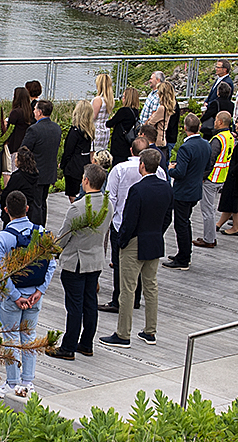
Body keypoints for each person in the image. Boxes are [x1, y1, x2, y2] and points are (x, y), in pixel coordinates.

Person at [101, 149, 171, 348]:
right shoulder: (166, 188)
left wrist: (121, 242)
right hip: (155, 240)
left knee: (128, 289)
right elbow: (168, 217)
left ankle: (123, 334)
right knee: (151, 286)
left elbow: (129, 220)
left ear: (142, 165)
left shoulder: (138, 190)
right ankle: (150, 331)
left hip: (134, 242)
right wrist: (158, 233)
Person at [0, 190, 57, 400]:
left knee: (10, 338)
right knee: (29, 337)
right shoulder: (43, 233)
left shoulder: (3, 238)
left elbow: (0, 271)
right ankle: (28, 382)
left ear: (6, 211)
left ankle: (12, 383)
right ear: (27, 209)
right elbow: (52, 264)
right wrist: (40, 291)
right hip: (35, 295)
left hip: (12, 298)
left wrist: (15, 295)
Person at [51, 163, 109, 358]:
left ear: (86, 180)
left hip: (76, 261)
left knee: (74, 307)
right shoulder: (108, 205)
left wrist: (53, 248)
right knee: (90, 303)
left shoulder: (77, 208)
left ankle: (68, 347)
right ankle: (86, 343)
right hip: (95, 259)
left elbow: (63, 237)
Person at [100, 132, 153, 313]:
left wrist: (107, 220)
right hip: (146, 224)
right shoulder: (158, 171)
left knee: (119, 263)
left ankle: (118, 299)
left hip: (120, 221)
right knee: (139, 261)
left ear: (131, 150)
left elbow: (110, 197)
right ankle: (135, 298)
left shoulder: (119, 169)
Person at [165, 114, 212, 270]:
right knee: (186, 222)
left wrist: (171, 170)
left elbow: (180, 173)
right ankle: (184, 253)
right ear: (199, 127)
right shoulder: (206, 144)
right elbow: (207, 167)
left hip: (183, 191)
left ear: (185, 128)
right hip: (196, 188)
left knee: (181, 224)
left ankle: (183, 259)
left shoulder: (186, 147)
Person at [198, 113, 236, 247]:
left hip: (212, 177)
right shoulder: (230, 137)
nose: (213, 122)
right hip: (222, 176)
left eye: (215, 120)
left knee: (207, 210)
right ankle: (210, 237)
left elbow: (211, 159)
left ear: (220, 122)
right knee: (211, 209)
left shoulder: (218, 139)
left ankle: (209, 239)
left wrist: (203, 177)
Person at [23, 99, 62, 211]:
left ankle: (36, 226)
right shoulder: (56, 128)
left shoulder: (34, 129)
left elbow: (24, 150)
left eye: (35, 109)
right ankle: (42, 226)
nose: (33, 112)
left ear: (39, 112)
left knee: (35, 204)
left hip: (36, 172)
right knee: (43, 202)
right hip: (49, 171)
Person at [1, 148, 43, 226]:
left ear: (20, 161)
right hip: (32, 212)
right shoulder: (35, 175)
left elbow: (7, 194)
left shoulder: (17, 177)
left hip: (15, 213)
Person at [59, 100, 93, 196]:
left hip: (73, 166)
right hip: (85, 163)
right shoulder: (89, 131)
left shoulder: (75, 131)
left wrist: (63, 165)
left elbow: (68, 150)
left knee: (72, 194)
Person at [106, 86, 142, 166]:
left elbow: (109, 124)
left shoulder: (123, 111)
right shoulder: (135, 112)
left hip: (119, 145)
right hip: (128, 143)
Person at [201, 60, 235, 127]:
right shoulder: (218, 79)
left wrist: (209, 105)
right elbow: (212, 93)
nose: (216, 69)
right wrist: (206, 101)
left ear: (225, 69)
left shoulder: (227, 82)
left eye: (218, 67)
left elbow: (221, 98)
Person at [5, 89, 34, 162]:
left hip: (14, 146)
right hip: (25, 146)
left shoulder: (15, 112)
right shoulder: (30, 112)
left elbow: (9, 130)